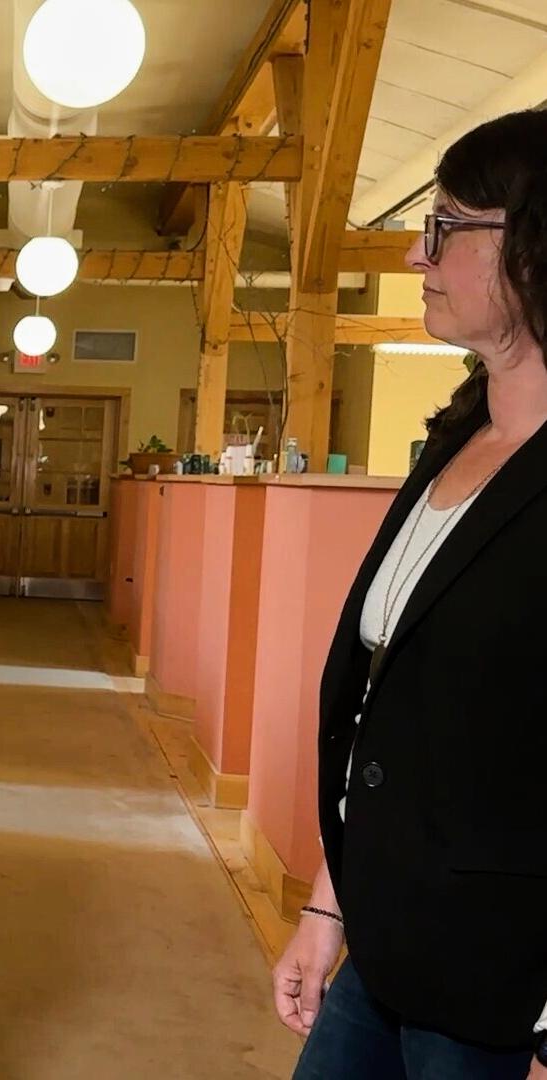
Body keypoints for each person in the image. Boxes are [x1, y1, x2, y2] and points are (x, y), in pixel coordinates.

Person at [273, 109, 547, 1079]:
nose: (413, 251)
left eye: (444, 226)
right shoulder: (453, 442)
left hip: (502, 974)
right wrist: (326, 905)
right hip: (387, 940)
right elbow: (391, 715)